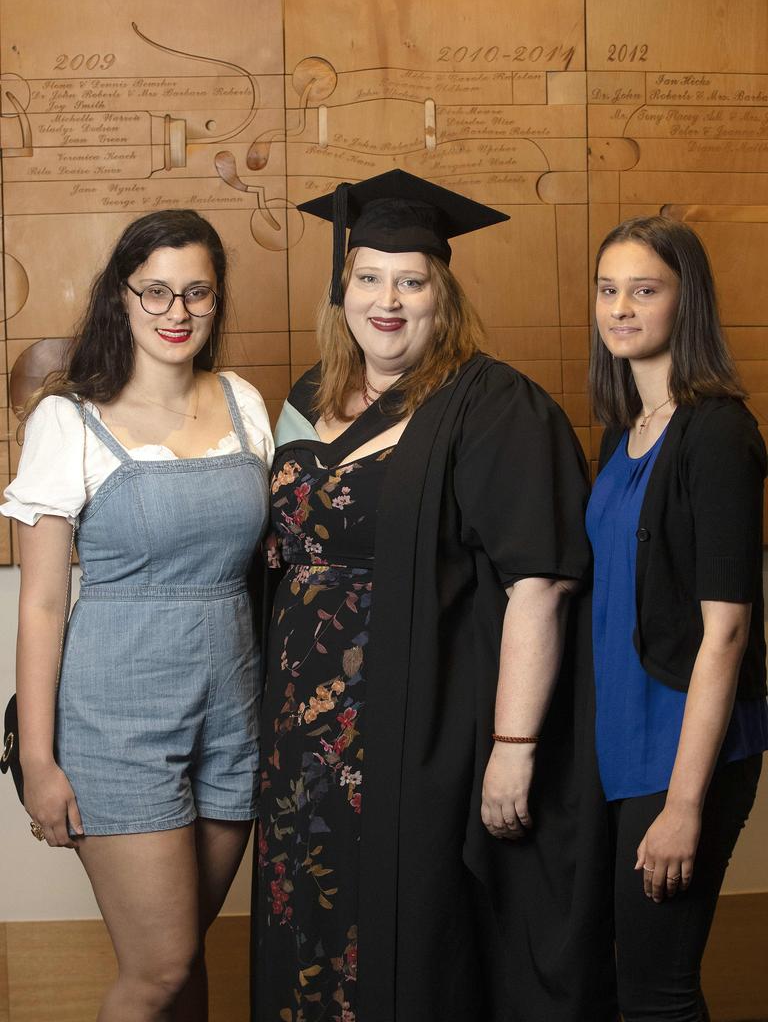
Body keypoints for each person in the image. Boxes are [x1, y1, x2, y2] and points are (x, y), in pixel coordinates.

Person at [252, 170, 617, 1022]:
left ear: (441, 295)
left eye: (411, 281)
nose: (388, 300)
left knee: (404, 930)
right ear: (344, 287)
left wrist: (513, 747)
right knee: (304, 918)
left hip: (417, 727)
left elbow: (541, 584)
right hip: (297, 737)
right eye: (369, 278)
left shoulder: (492, 405)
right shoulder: (306, 399)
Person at [2, 210, 274, 1022]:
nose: (176, 311)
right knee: (156, 970)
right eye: (154, 291)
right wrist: (41, 762)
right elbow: (43, 603)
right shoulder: (66, 419)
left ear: (217, 301)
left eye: (197, 292)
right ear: (120, 298)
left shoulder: (244, 403)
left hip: (235, 711)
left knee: (187, 961)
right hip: (115, 723)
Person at [587, 215, 768, 1021]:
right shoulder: (619, 437)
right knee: (627, 979)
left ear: (684, 302)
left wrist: (686, 803)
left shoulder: (719, 432)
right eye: (608, 289)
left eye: (645, 290)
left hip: (684, 746)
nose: (621, 307)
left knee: (658, 992)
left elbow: (727, 629)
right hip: (621, 737)